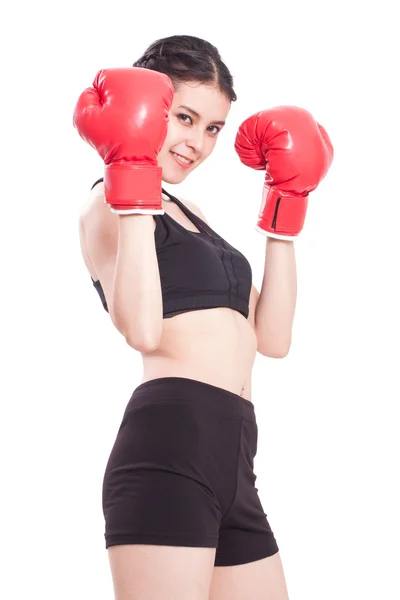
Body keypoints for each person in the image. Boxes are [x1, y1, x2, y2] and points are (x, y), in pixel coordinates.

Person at [74, 34, 333, 600]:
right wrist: (134, 176)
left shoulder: (195, 216)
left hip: (236, 455)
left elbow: (273, 337)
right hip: (171, 447)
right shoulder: (110, 206)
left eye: (212, 128)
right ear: (145, 112)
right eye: (185, 118)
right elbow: (142, 331)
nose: (197, 142)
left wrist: (285, 209)